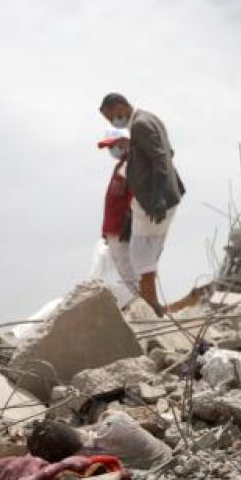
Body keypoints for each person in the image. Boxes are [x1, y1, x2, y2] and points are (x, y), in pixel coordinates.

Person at [98, 92, 184, 316]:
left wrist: (158, 195)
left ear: (121, 106)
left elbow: (161, 158)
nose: (112, 121)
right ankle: (150, 306)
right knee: (141, 258)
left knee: (140, 259)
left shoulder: (141, 125)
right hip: (154, 202)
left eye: (112, 116)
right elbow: (166, 153)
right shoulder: (148, 120)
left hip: (154, 203)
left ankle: (150, 308)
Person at [96, 128, 137, 302]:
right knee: (122, 268)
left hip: (124, 229)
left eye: (112, 145)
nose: (111, 150)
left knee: (129, 269)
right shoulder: (120, 166)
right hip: (114, 229)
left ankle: (141, 302)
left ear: (123, 142)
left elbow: (135, 197)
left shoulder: (134, 165)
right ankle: (136, 301)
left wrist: (129, 223)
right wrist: (107, 232)